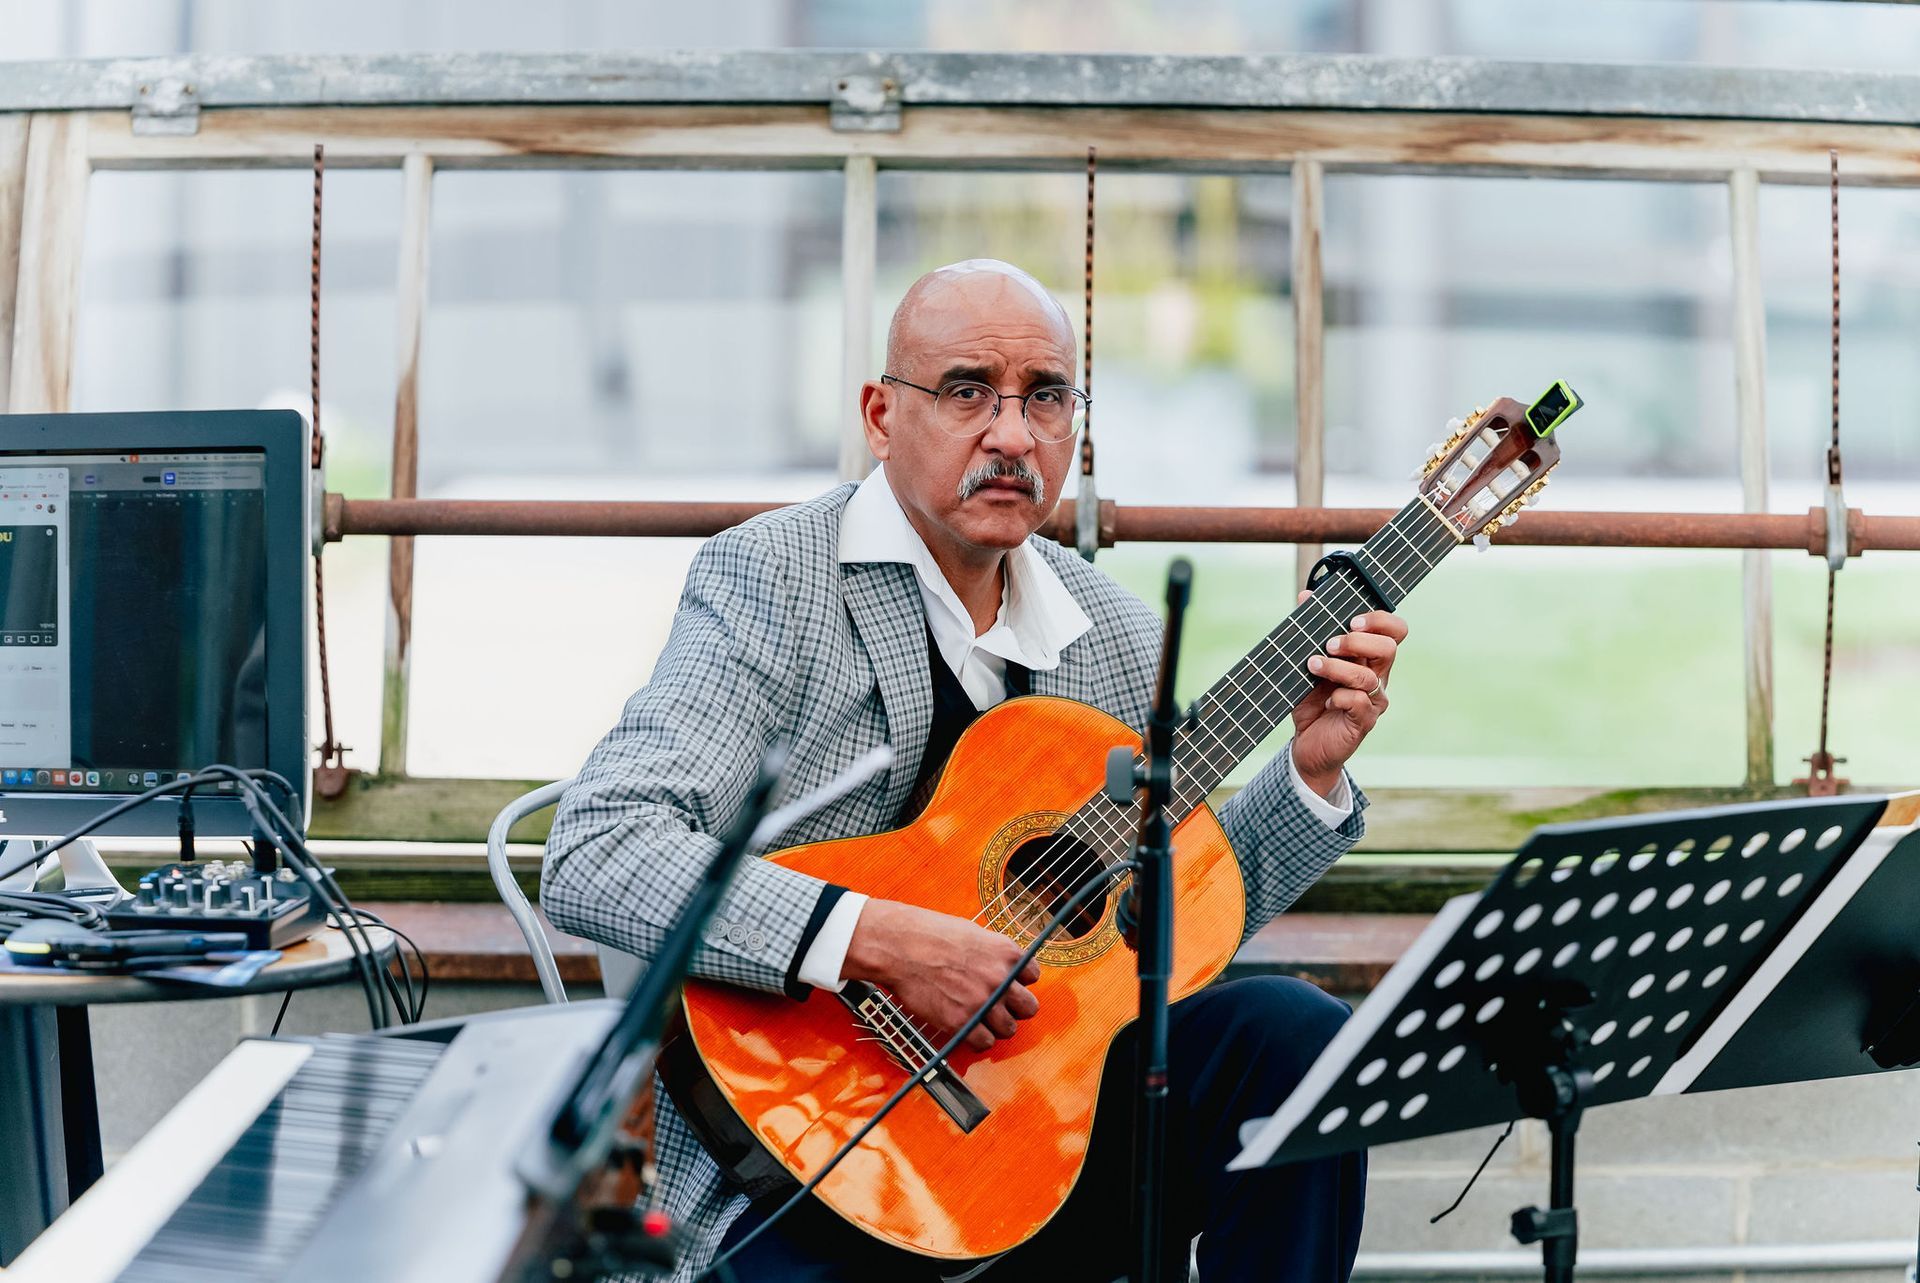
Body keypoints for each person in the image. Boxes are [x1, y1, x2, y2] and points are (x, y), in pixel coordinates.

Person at [543, 259, 1407, 1282]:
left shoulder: (1113, 635)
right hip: (810, 1149)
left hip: (1034, 1126)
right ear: (880, 414)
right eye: (966, 391)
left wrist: (1306, 772)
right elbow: (599, 850)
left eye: (1045, 397)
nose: (1011, 434)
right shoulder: (775, 579)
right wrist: (883, 941)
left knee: (1296, 1040)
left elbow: (1170, 928)